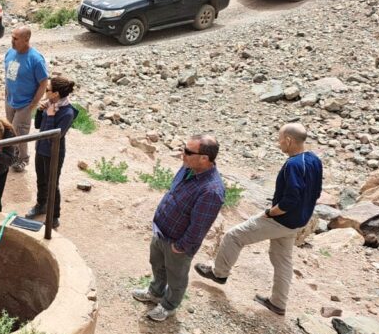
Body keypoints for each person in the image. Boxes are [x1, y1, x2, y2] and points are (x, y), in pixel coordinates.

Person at [195, 123, 323, 316]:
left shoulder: (293, 165)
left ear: (288, 140)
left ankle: (219, 273)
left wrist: (271, 213)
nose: (278, 143)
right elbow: (316, 192)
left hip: (281, 220)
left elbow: (290, 199)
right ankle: (278, 303)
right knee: (282, 260)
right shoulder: (314, 159)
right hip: (298, 221)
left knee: (234, 236)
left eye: (280, 139)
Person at [132, 134, 225, 321]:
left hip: (177, 243)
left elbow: (199, 226)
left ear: (204, 158)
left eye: (188, 151)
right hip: (161, 231)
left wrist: (181, 246)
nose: (182, 154)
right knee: (157, 265)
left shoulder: (211, 190)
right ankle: (156, 292)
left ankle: (169, 306)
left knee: (176, 277)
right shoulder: (188, 167)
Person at [26, 76, 78, 229]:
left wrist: (49, 115)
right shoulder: (50, 105)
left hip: (54, 153)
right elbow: (37, 127)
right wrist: (41, 112)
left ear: (55, 94)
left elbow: (53, 137)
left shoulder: (67, 112)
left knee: (52, 185)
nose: (45, 92)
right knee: (41, 180)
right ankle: (41, 205)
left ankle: (54, 216)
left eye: (47, 90)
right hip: (41, 149)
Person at [4, 25, 48, 172]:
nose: (12, 41)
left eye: (16, 38)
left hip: (25, 104)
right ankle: (12, 155)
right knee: (10, 131)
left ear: (26, 39)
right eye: (12, 37)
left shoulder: (35, 59)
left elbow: (43, 83)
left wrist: (33, 104)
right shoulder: (10, 52)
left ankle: (23, 159)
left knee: (19, 133)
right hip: (10, 100)